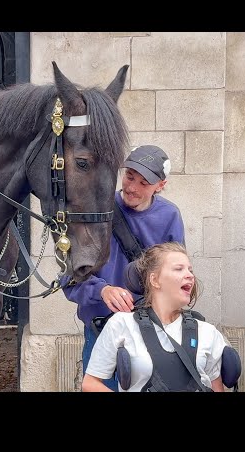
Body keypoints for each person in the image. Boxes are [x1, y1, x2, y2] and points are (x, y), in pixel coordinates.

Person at [62, 144, 185, 390]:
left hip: (149, 334)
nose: (132, 187)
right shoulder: (94, 209)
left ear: (160, 185)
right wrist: (102, 291)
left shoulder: (169, 217)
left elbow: (178, 279)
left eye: (144, 182)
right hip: (100, 331)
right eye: (130, 176)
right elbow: (69, 279)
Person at [82, 242, 228, 392]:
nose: (190, 275)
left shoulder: (208, 332)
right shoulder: (122, 323)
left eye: (190, 270)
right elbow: (90, 384)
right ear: (154, 280)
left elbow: (216, 388)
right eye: (179, 269)